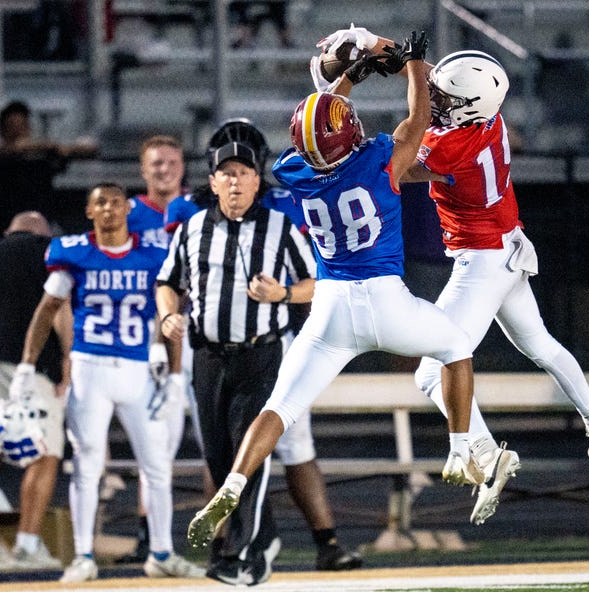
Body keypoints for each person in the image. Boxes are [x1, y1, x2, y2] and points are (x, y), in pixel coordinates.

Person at [181, 30, 493, 565]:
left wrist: (349, 77)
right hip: (386, 298)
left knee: (279, 407)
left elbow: (322, 125)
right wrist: (415, 64)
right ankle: (460, 448)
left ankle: (233, 482)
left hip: (329, 308)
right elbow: (418, 122)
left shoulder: (293, 170)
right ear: (350, 134)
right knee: (456, 347)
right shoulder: (376, 160)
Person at [327, 27, 589, 524]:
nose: (439, 101)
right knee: (541, 344)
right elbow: (429, 106)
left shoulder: (450, 148)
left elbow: (401, 161)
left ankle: (487, 454)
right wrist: (394, 53)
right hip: (509, 244)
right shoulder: (489, 121)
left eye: (449, 97)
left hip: (482, 259)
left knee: (431, 370)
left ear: (469, 104)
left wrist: (385, 71)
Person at [166, 118, 363, 572]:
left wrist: (284, 297)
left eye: (245, 168)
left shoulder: (281, 216)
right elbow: (174, 278)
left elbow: (318, 277)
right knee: (220, 448)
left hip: (273, 343)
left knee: (290, 444)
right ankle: (233, 540)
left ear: (259, 174)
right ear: (213, 177)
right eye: (226, 170)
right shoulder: (191, 220)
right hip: (209, 347)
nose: (235, 179)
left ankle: (310, 540)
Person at [11, 183, 205, 582]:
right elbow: (47, 310)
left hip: (137, 371)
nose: (110, 209)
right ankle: (83, 555)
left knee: (157, 466)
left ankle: (162, 552)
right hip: (90, 367)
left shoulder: (153, 258)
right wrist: (27, 366)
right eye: (101, 202)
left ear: (127, 210)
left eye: (117, 202)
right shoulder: (75, 254)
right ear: (89, 211)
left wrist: (174, 375)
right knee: (86, 465)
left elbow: (172, 317)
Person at [115, 134, 196, 564]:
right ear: (143, 170)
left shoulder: (203, 206)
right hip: (148, 335)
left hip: (203, 329)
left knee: (213, 433)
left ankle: (224, 536)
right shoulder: (128, 214)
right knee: (156, 438)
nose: (163, 169)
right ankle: (150, 536)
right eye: (155, 164)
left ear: (182, 166)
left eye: (170, 162)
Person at [0, 211, 71, 571]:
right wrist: (67, 360)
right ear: (45, 232)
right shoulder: (50, 252)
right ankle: (28, 544)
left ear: (7, 232)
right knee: (44, 453)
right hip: (26, 370)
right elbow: (58, 307)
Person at [0, 101, 97, 249]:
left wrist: (56, 148)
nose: (18, 133)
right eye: (12, 128)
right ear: (2, 130)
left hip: (40, 227)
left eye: (22, 127)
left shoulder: (39, 159)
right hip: (0, 230)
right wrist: (43, 146)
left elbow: (87, 151)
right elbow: (7, 150)